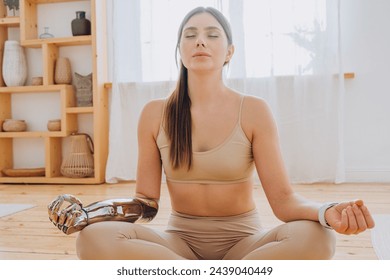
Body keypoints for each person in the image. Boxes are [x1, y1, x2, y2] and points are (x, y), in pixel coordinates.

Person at [48, 6, 375, 260]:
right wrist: (91, 215)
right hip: (177, 246)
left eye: (211, 34)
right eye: (190, 35)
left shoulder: (254, 110)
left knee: (318, 237)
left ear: (229, 51)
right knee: (92, 240)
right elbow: (146, 204)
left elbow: (284, 201)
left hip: (246, 245)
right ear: (180, 49)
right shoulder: (154, 114)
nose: (200, 40)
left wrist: (326, 212)